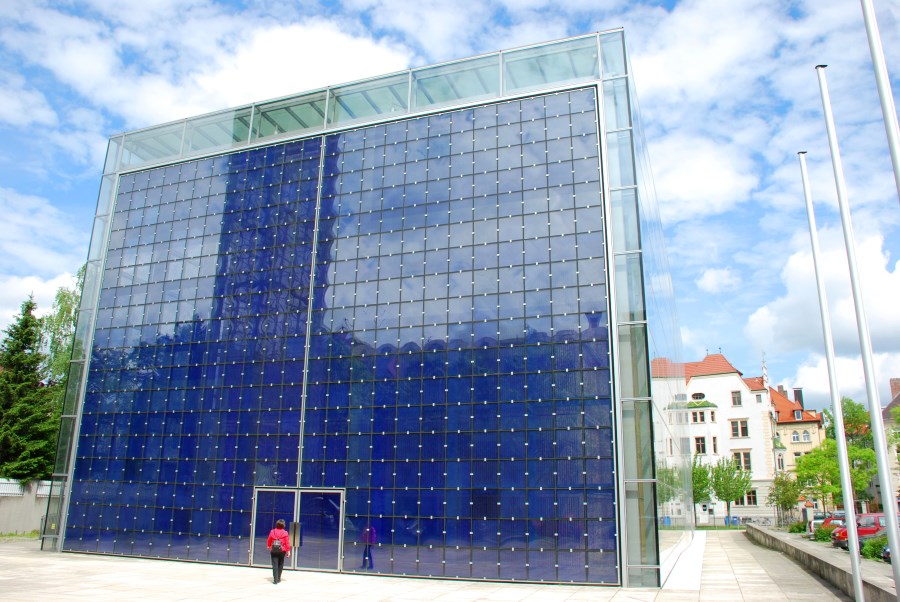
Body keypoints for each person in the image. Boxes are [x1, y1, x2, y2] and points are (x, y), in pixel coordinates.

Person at [267, 519, 291, 584]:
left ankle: (275, 580)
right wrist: (288, 551)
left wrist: (269, 546)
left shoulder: (272, 531)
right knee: (280, 563)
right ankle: (278, 578)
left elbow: (269, 539)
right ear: (283, 525)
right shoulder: (285, 532)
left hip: (274, 550)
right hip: (282, 550)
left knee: (274, 564)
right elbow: (287, 542)